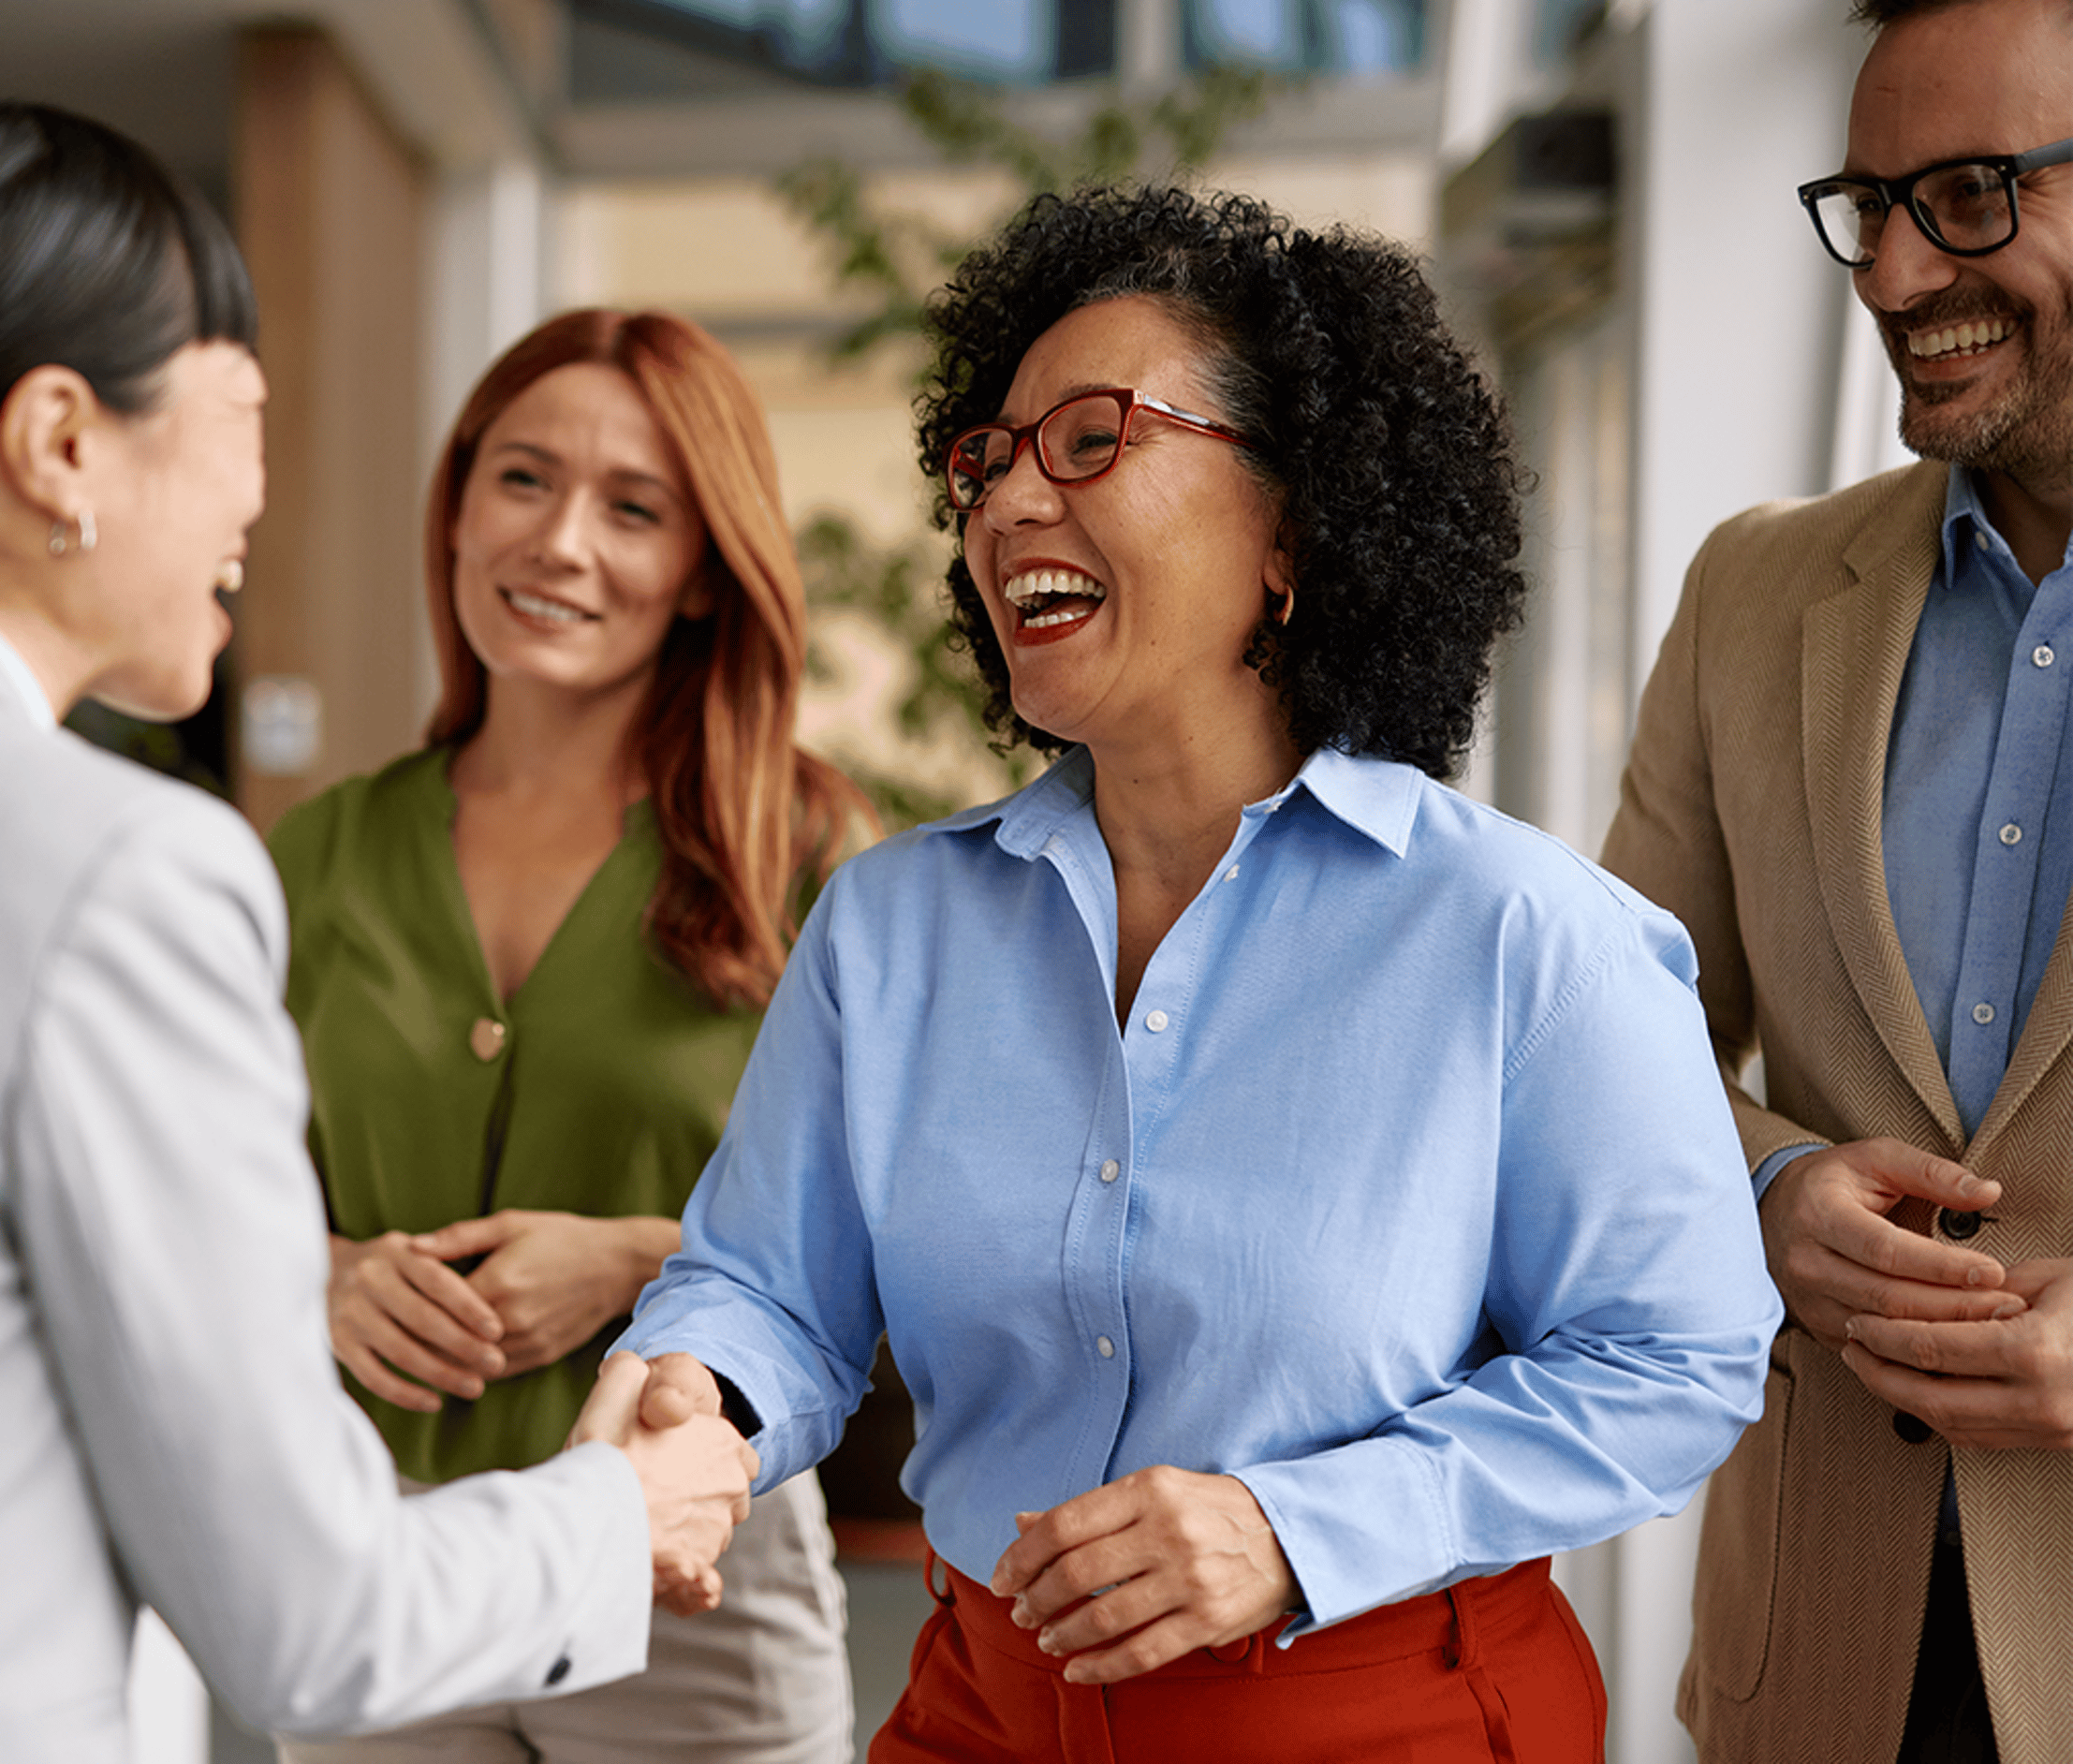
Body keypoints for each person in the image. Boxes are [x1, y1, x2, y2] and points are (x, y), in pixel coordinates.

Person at [611, 182, 1783, 1762]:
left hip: (1387, 1714)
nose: (1011, 503)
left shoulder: (1524, 937)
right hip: (982, 1708)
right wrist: (702, 1399)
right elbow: (768, 1291)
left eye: (1091, 439)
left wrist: (1295, 1528)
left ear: (1294, 526)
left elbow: (1676, 1357)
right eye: (989, 460)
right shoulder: (890, 928)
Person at [0, 96, 757, 1762]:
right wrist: (631, 1506)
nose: (260, 488)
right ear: (58, 443)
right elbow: (317, 1618)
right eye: (244, 410)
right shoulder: (119, 869)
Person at [267, 308, 862, 1763]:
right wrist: (330, 1276)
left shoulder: (811, 853)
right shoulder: (322, 851)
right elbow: (198, 1193)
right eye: (523, 479)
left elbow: (906, 1232)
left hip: (695, 1564)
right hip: (381, 1555)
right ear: (459, 504)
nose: (561, 543)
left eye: (634, 508)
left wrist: (633, 1260)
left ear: (707, 573)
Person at [1600, 4, 2073, 1760]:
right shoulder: (1752, 592)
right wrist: (1771, 1188)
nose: (1888, 270)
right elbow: (1601, 1053)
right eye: (1866, 202)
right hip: (1821, 1664)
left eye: (1964, 193)